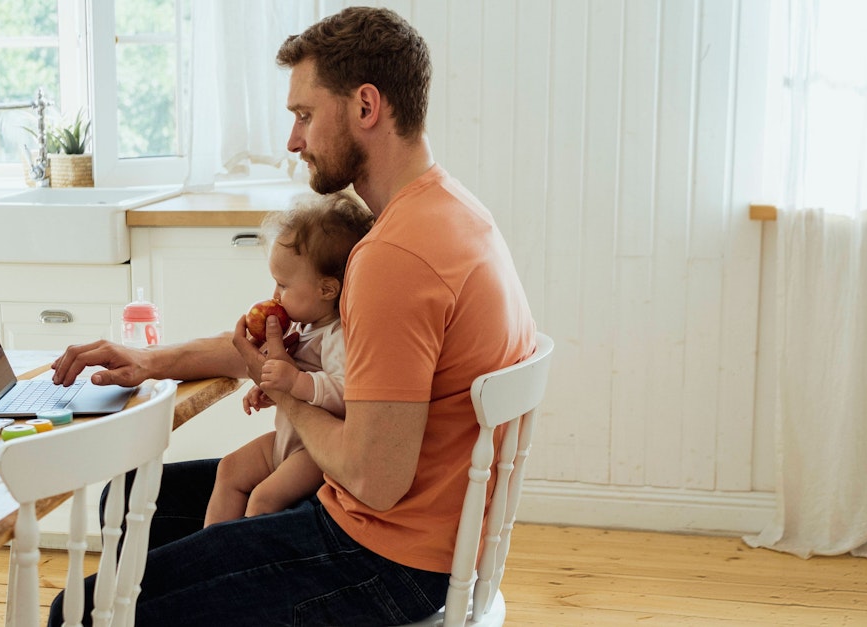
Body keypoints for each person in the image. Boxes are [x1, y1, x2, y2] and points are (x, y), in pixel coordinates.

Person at [47, 6, 538, 625]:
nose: (292, 140)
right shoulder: (445, 211)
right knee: (129, 499)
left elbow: (373, 476)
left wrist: (285, 393)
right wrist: (152, 360)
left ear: (366, 107)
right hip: (420, 532)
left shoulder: (396, 258)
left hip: (384, 554)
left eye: (304, 115)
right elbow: (297, 350)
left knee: (80, 611)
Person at [207, 192, 374, 527]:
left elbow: (345, 393)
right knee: (230, 469)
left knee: (264, 498)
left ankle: (245, 562)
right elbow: (292, 383)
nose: (275, 296)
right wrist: (272, 391)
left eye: (283, 285)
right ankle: (211, 552)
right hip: (287, 438)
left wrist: (294, 382)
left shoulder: (337, 335)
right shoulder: (301, 326)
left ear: (327, 290)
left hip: (314, 453)